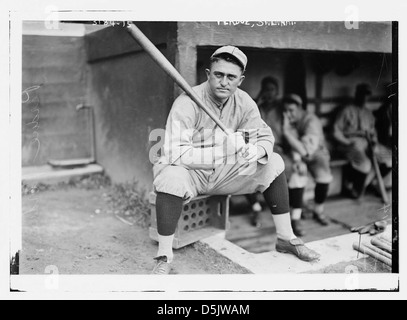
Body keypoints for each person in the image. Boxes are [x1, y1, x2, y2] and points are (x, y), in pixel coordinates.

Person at [151, 46, 320, 274]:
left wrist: (257, 151)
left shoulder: (244, 102)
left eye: (231, 77)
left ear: (240, 80)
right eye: (219, 75)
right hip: (190, 172)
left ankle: (285, 238)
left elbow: (264, 136)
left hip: (224, 173)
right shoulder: (187, 101)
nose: (224, 82)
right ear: (208, 74)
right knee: (170, 176)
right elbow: (174, 153)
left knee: (273, 162)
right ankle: (164, 255)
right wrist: (222, 151)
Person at [281, 94, 332, 236]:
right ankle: (295, 218)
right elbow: (295, 148)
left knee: (324, 178)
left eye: (291, 110)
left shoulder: (311, 120)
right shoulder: (290, 120)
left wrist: (286, 132)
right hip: (300, 155)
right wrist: (297, 160)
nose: (288, 114)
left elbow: (307, 151)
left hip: (316, 154)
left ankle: (318, 211)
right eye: (285, 111)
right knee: (297, 174)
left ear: (300, 108)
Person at [333, 83, 392, 199]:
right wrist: (346, 142)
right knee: (365, 164)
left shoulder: (368, 113)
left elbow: (373, 132)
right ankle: (355, 190)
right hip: (350, 142)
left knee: (389, 158)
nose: (364, 98)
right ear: (356, 94)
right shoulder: (347, 110)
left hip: (367, 142)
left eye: (366, 95)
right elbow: (335, 131)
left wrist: (374, 143)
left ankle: (370, 183)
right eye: (361, 94)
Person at [245, 76, 282, 228]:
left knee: (287, 168)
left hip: (277, 147)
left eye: (272, 90)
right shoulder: (255, 105)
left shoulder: (281, 108)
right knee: (245, 167)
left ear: (277, 92)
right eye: (266, 89)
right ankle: (256, 207)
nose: (269, 93)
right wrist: (258, 101)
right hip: (257, 146)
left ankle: (290, 213)